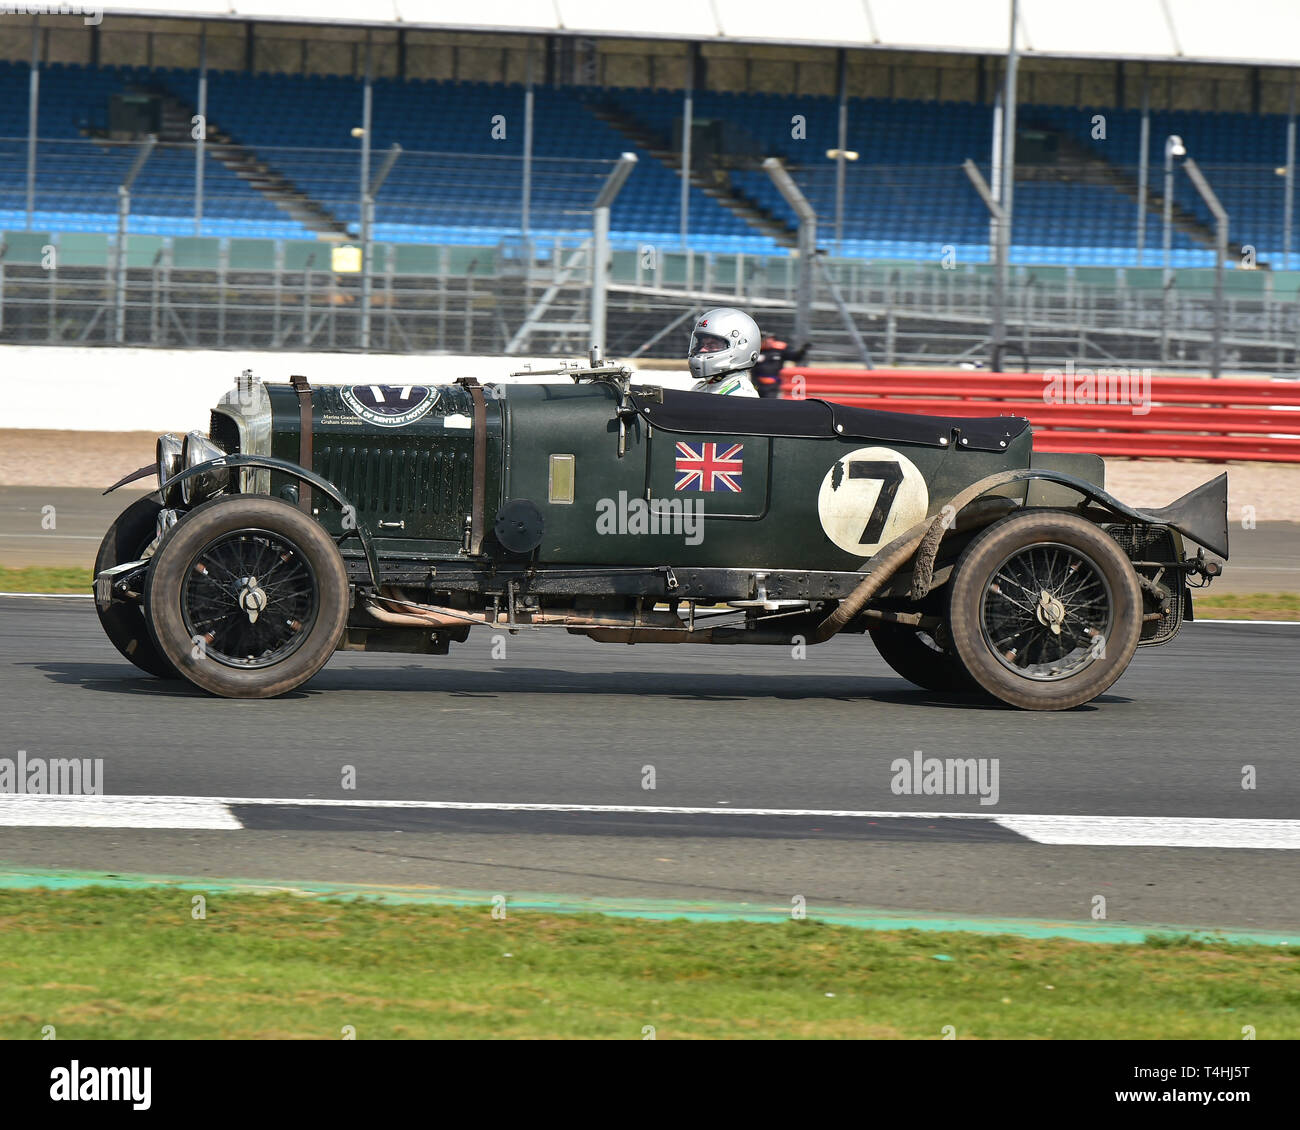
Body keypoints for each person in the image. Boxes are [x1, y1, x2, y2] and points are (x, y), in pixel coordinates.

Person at [687, 307, 761, 397]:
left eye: (712, 345)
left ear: (742, 346)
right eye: (701, 344)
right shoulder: (700, 387)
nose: (702, 350)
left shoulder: (741, 395)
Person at [751, 334, 810, 399]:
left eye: (771, 339)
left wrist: (802, 350)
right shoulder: (755, 351)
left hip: (773, 385)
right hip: (757, 384)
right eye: (766, 339)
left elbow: (795, 357)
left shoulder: (779, 351)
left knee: (770, 403)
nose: (769, 341)